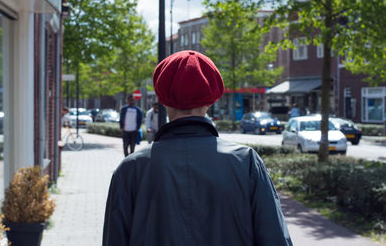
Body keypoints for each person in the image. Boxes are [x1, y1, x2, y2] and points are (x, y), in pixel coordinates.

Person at [103, 50, 292, 246]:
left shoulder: (130, 169)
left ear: (162, 98)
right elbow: (275, 238)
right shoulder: (246, 162)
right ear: (212, 99)